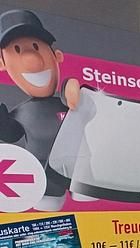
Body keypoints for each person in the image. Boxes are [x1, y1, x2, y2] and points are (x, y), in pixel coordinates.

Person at [0, 9, 80, 211]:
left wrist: (75, 90)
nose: (32, 59)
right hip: (45, 177)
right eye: (17, 50)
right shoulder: (23, 112)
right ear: (3, 63)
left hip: (83, 171)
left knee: (88, 194)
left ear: (57, 56)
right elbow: (10, 133)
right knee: (48, 208)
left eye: (36, 47)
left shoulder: (68, 98)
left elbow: (94, 117)